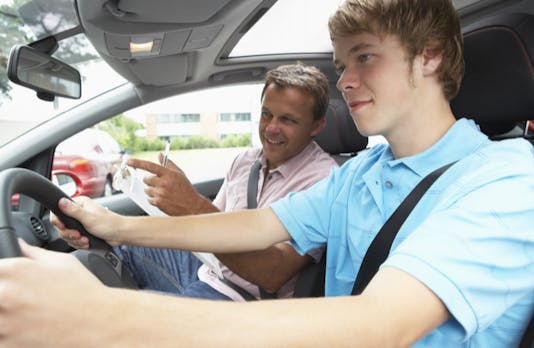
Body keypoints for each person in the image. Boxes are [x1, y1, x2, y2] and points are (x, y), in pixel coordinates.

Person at [0, 0, 533, 346]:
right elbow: (254, 224)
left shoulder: (508, 180)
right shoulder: (364, 171)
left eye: (364, 58)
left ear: (430, 58)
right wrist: (119, 227)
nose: (345, 80)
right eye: (342, 63)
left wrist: (101, 318)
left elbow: (380, 326)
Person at [60, 63, 337, 301]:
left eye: (287, 119)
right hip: (207, 269)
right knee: (109, 252)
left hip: (245, 301)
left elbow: (273, 275)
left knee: (135, 324)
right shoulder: (246, 161)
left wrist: (191, 205)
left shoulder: (325, 180)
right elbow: (206, 231)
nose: (271, 127)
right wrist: (102, 223)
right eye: (267, 114)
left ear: (316, 126)